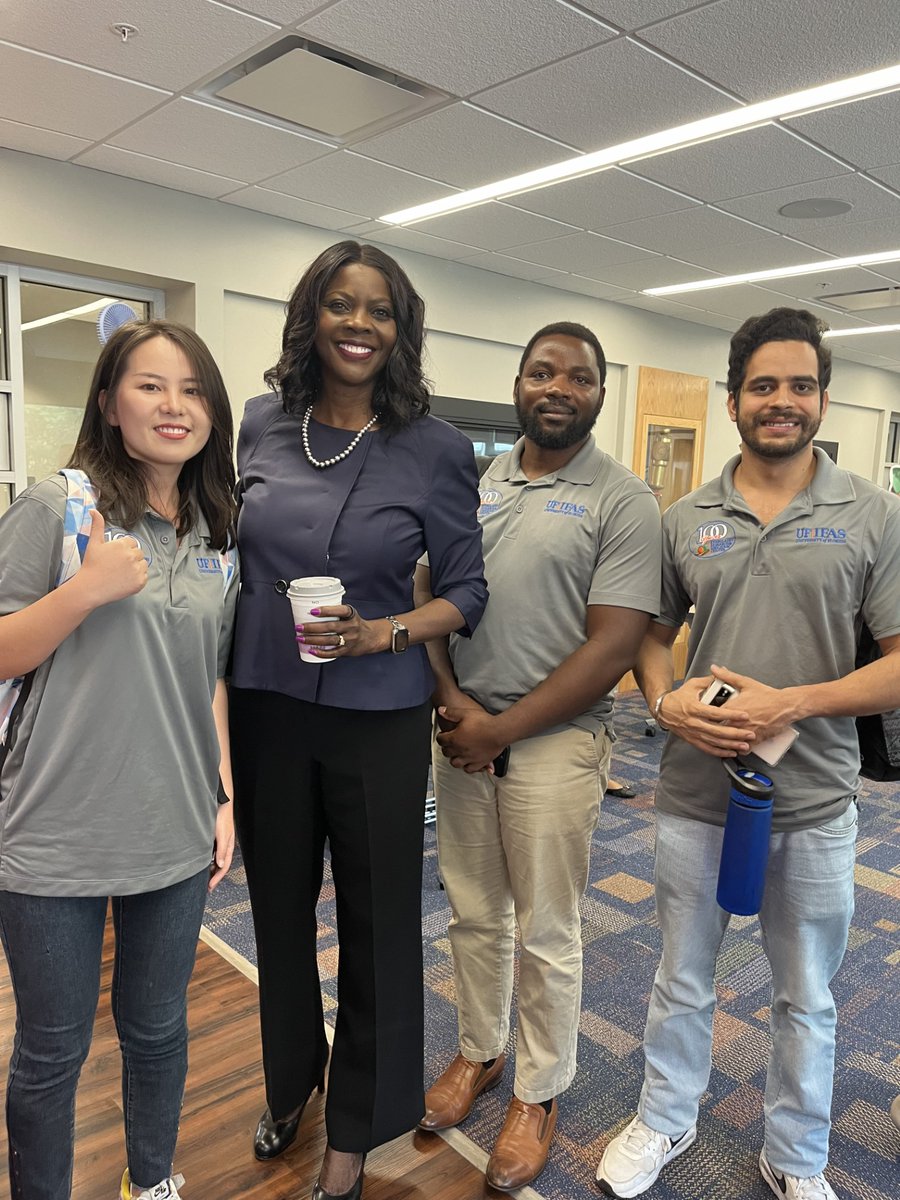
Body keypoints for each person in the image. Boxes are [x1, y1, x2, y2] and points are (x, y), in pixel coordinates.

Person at [597, 307, 900, 1200]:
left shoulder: (873, 514)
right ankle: (664, 1118)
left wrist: (795, 702)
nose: (782, 402)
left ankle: (796, 1156)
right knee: (681, 976)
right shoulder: (687, 515)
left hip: (814, 806)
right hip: (694, 796)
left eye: (799, 385)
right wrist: (666, 700)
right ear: (734, 401)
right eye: (763, 386)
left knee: (805, 996)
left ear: (822, 397)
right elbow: (651, 638)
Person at [229, 241, 486, 1200]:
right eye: (341, 304)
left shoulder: (437, 448)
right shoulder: (260, 425)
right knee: (279, 915)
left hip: (378, 720)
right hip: (265, 707)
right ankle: (292, 1080)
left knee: (377, 925)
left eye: (379, 311)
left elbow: (467, 590)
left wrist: (385, 633)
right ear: (312, 317)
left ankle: (354, 1132)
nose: (359, 323)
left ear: (400, 330)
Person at [416, 321, 662, 1191]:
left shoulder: (623, 500)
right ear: (520, 383)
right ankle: (479, 1051)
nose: (558, 388)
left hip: (553, 745)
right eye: (541, 372)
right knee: (476, 913)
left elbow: (616, 645)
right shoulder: (481, 485)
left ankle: (540, 1090)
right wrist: (451, 700)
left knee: (548, 931)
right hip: (464, 733)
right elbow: (430, 593)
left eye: (579, 377)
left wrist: (499, 729)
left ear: (601, 393)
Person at [0, 319, 239, 1200]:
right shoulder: (57, 509)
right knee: (53, 1049)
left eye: (193, 390)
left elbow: (209, 677)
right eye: (149, 385)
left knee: (157, 1029)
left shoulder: (220, 531)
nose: (174, 406)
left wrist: (223, 798)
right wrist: (86, 589)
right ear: (108, 400)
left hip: (173, 827)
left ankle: (153, 1184)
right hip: (54, 829)